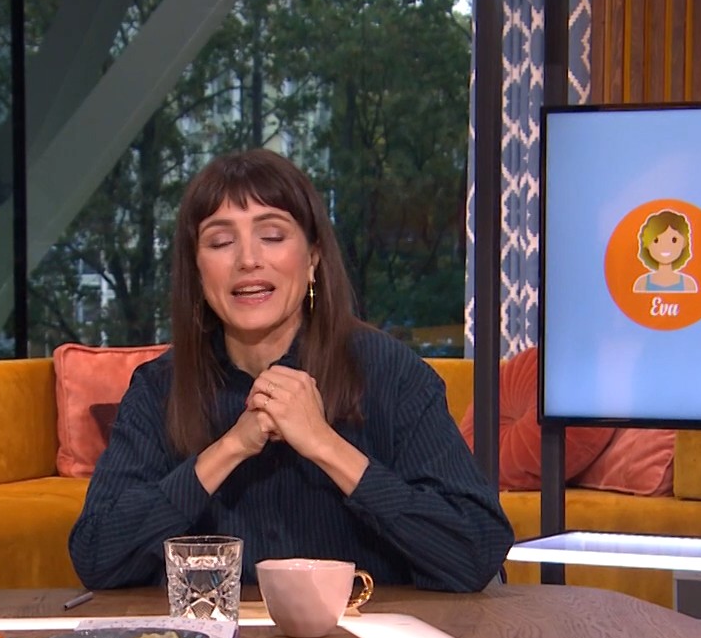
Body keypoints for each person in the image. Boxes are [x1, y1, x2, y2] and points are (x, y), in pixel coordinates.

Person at [68, 149, 513, 593]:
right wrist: (230, 448)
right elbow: (97, 557)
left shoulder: (390, 372)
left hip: (367, 632)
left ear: (313, 257)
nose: (248, 260)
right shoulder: (159, 389)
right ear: (198, 272)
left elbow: (475, 550)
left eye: (272, 235)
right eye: (220, 242)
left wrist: (324, 444)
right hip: (217, 637)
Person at [630, 209, 699, 294]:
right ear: (647, 245)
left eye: (674, 240)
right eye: (656, 240)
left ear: (684, 244)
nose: (665, 246)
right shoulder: (642, 283)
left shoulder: (688, 284)